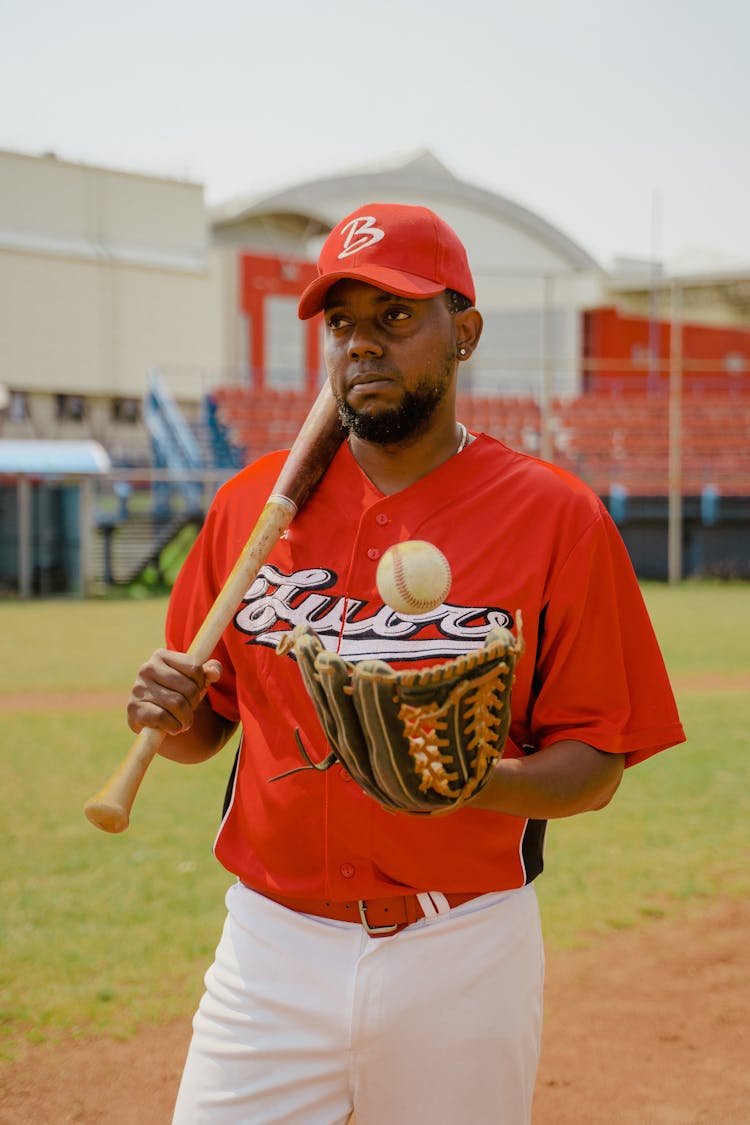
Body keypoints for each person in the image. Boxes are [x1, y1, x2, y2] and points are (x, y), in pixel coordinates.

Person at [127, 202, 685, 1125]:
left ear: (462, 333)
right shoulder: (250, 507)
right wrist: (165, 704)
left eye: (395, 317)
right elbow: (200, 731)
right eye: (342, 324)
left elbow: (596, 766)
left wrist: (458, 780)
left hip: (460, 946)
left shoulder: (556, 517)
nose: (363, 346)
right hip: (270, 947)